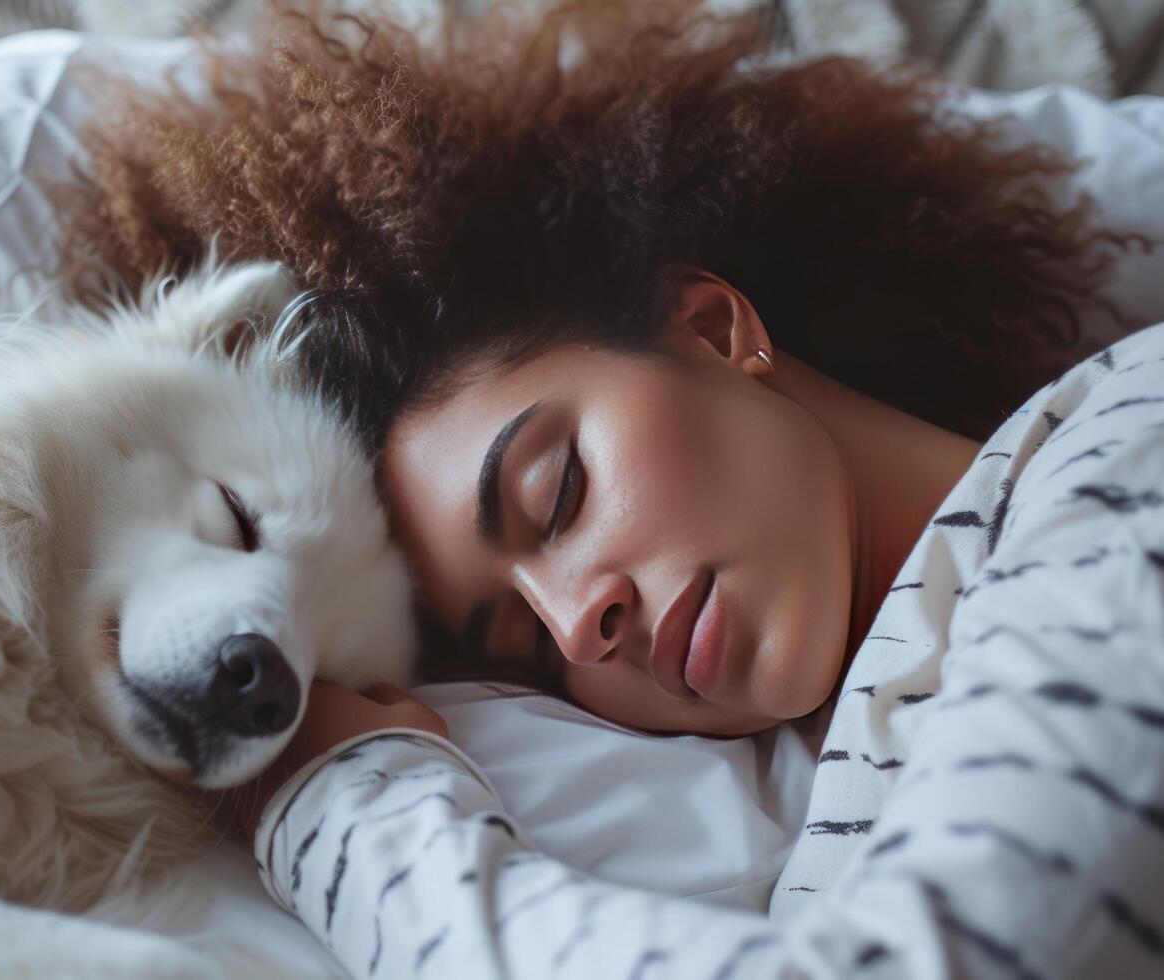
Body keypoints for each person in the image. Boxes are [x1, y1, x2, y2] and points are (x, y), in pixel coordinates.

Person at [60, 4, 1164, 976]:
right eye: (524, 650)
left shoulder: (1120, 452)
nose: (581, 623)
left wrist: (339, 800)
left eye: (560, 492)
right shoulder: (860, 770)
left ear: (711, 327)